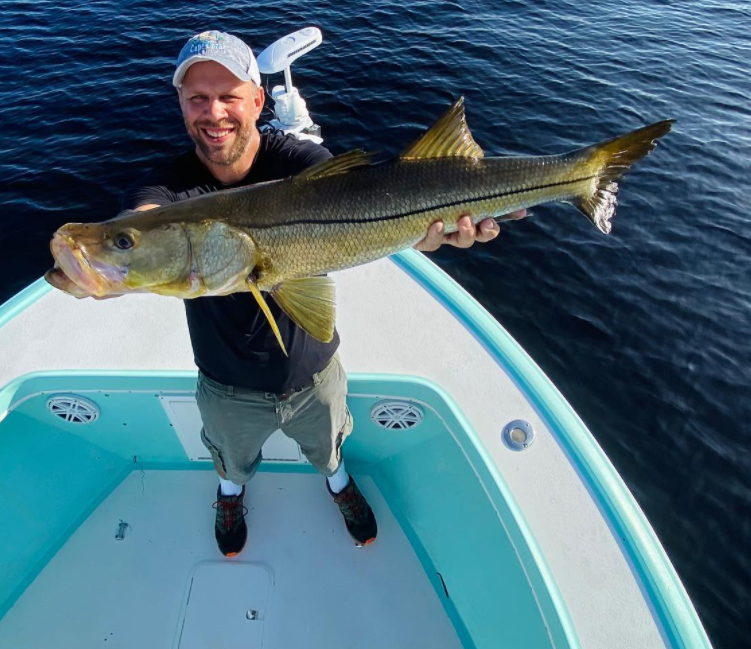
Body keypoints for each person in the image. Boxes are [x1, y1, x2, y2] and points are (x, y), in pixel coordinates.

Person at [119, 30, 522, 557]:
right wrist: (117, 256)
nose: (213, 112)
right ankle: (230, 493)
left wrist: (433, 230)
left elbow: (362, 199)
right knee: (231, 460)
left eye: (228, 96)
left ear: (258, 101)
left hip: (314, 373)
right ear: (180, 104)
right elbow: (142, 221)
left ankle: (338, 484)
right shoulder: (169, 187)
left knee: (329, 451)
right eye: (198, 98)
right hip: (225, 383)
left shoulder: (300, 162)